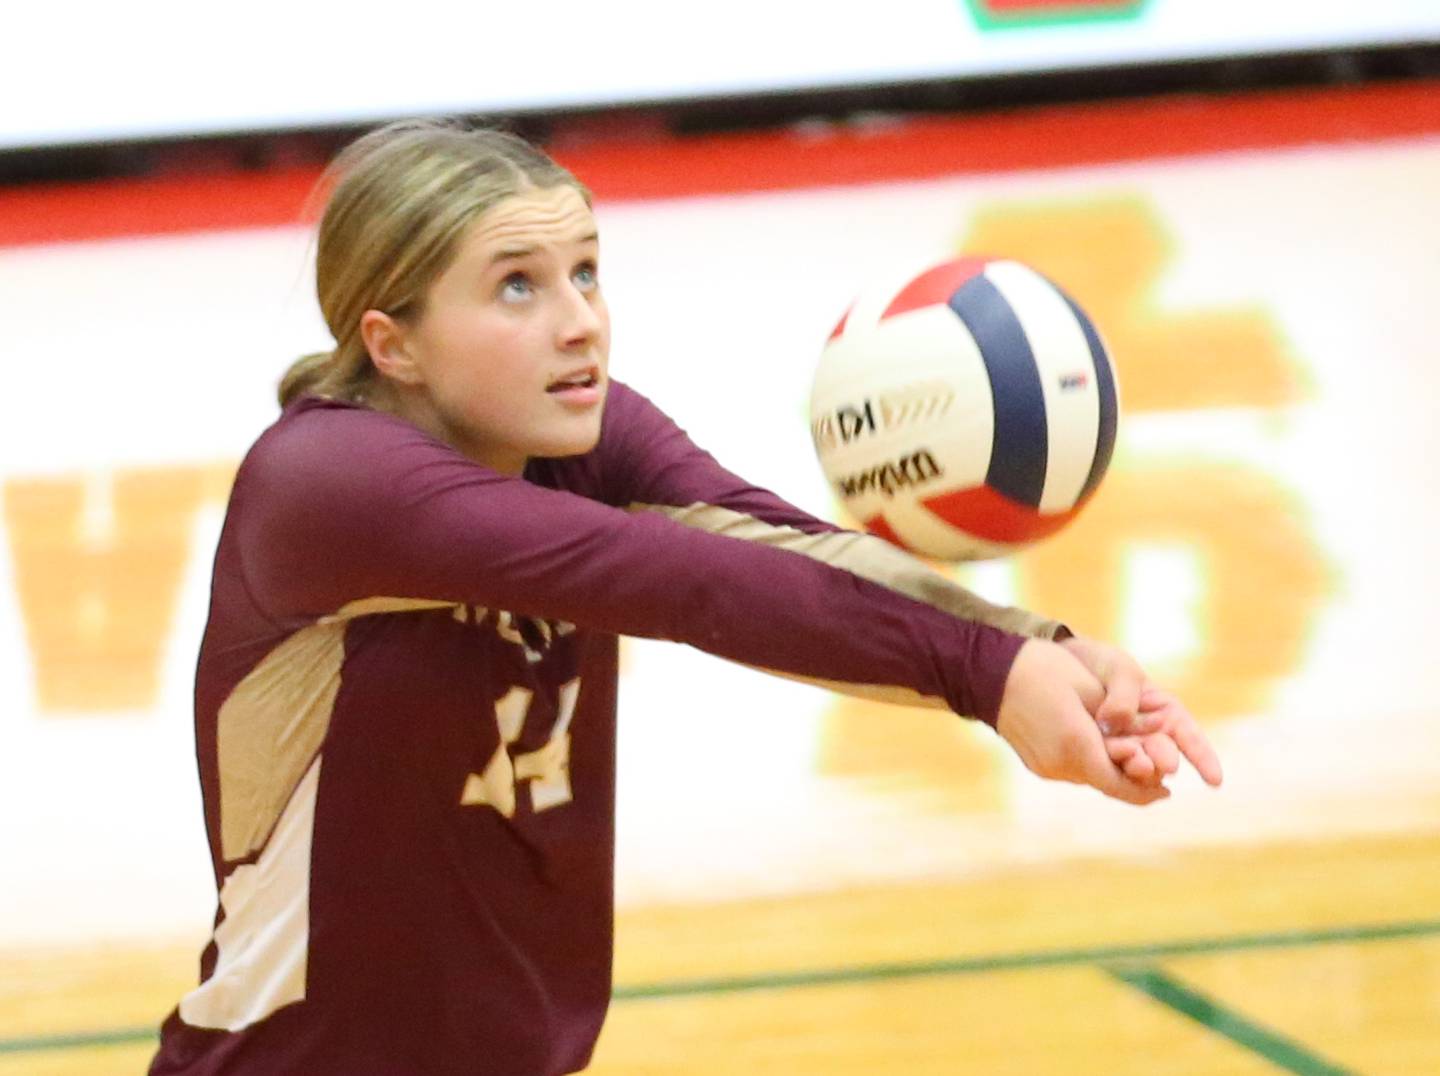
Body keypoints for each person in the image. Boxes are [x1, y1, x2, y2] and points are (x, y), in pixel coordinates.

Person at [149, 118, 1221, 1076]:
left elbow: (768, 548)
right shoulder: (330, 482)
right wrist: (988, 671)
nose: (580, 322)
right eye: (518, 284)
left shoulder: (583, 428)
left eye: (586, 271)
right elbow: (677, 578)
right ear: (393, 343)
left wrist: (1037, 646)